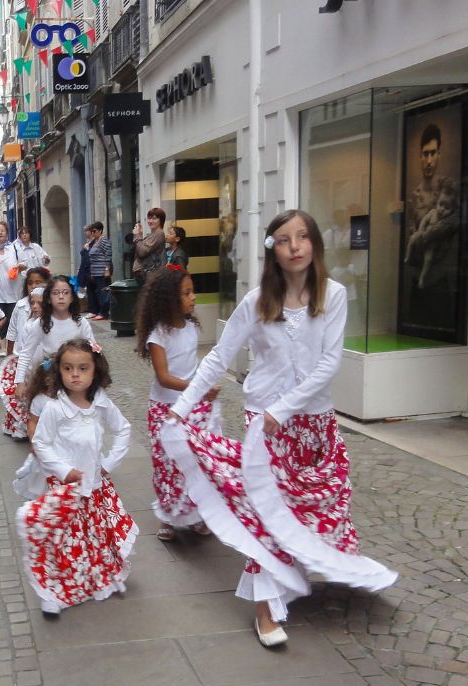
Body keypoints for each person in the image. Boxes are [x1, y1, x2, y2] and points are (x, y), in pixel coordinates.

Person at [160, 209, 397, 648]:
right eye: (285, 239)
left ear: (314, 245)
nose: (295, 246)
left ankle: (308, 569)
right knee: (268, 514)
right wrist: (183, 406)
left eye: (303, 237)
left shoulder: (335, 295)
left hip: (315, 423)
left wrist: (287, 409)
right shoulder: (257, 302)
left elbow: (330, 363)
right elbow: (218, 358)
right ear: (273, 249)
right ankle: (265, 606)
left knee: (321, 506)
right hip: (265, 428)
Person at [17, 338, 136, 617]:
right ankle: (53, 590)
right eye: (68, 368)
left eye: (83, 368)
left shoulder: (101, 403)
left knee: (91, 538)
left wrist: (107, 463)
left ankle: (90, 578)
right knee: (62, 539)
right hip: (63, 490)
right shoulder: (55, 408)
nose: (75, 374)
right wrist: (63, 470)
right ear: (58, 371)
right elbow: (41, 443)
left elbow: (123, 429)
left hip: (93, 488)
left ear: (95, 371)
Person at [135, 269, 219, 541]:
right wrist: (198, 388)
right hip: (165, 409)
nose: (193, 298)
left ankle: (197, 515)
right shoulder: (158, 335)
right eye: (187, 293)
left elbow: (194, 366)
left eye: (192, 291)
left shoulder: (193, 327)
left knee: (195, 463)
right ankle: (169, 517)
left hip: (194, 407)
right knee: (167, 466)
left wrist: (203, 386)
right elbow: (164, 377)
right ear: (169, 299)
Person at [404, 124, 460, 333]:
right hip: (416, 278)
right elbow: (412, 231)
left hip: (438, 280)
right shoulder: (414, 195)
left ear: (439, 154)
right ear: (419, 156)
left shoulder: (447, 193)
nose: (428, 161)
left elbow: (450, 225)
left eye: (433, 154)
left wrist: (424, 236)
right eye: (425, 154)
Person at [15, 275, 96, 390]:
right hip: (50, 378)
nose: (61, 297)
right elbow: (26, 353)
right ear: (48, 298)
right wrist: (19, 382)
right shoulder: (41, 323)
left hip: (76, 376)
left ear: (72, 297)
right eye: (56, 293)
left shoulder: (80, 322)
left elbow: (92, 349)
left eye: (65, 293)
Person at [0, 268, 51, 440]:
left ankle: (40, 426)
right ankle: (21, 427)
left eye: (38, 282)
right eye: (30, 283)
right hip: (23, 358)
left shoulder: (52, 313)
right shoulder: (21, 306)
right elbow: (12, 331)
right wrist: (10, 354)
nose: (33, 286)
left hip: (43, 361)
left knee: (40, 395)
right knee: (23, 395)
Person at [82, 222, 113, 320]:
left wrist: (107, 269)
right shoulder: (94, 241)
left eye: (94, 231)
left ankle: (104, 313)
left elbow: (108, 255)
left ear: (100, 231)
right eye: (91, 231)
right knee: (98, 292)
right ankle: (100, 311)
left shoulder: (104, 241)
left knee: (103, 292)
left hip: (101, 271)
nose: (93, 233)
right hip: (95, 271)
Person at [132, 208, 167, 285]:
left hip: (149, 275)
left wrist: (137, 236)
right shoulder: (153, 234)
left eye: (154, 218)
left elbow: (142, 252)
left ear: (161, 220)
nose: (150, 221)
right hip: (145, 275)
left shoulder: (158, 234)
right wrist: (140, 235)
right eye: (149, 218)